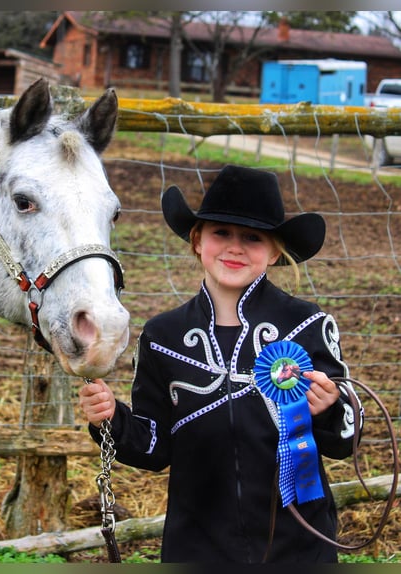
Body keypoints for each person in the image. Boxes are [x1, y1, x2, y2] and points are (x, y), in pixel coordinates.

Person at [79, 165, 362, 563]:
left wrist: (330, 407)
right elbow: (155, 446)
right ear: (197, 241)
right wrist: (111, 418)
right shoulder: (162, 337)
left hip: (298, 543)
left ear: (275, 250)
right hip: (198, 542)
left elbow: (345, 439)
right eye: (221, 233)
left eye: (253, 237)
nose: (235, 247)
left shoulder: (308, 324)